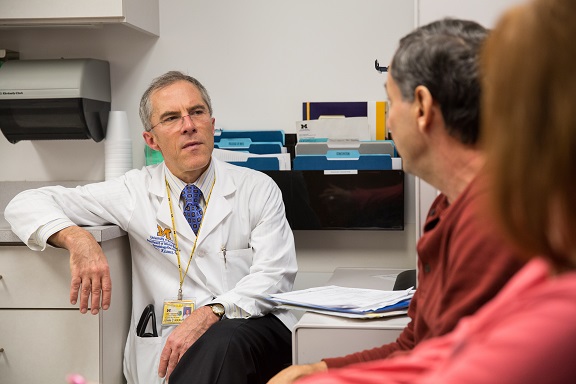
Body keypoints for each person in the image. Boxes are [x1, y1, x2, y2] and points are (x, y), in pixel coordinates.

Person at [292, 0, 576, 382]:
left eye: (391, 102)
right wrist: (321, 369)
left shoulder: (491, 220)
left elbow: (452, 369)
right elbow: (422, 346)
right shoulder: (447, 205)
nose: (389, 121)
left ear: (423, 106)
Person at [5, 71, 298, 384]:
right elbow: (23, 204)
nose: (189, 125)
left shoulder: (257, 188)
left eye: (197, 112)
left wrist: (210, 312)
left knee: (225, 340)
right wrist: (77, 238)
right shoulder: (135, 192)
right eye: (171, 117)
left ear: (211, 125)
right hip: (169, 344)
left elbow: (275, 276)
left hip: (253, 331)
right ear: (151, 140)